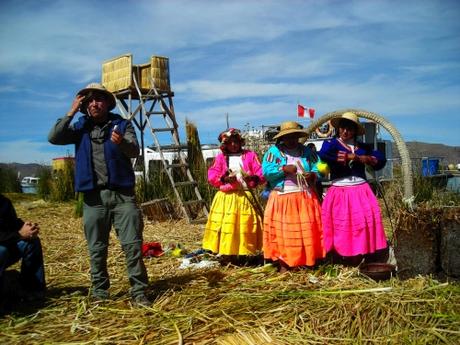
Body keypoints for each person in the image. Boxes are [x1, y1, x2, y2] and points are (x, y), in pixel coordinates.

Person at [48, 83, 149, 306]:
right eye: (89, 101)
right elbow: (54, 138)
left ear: (107, 103)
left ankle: (139, 292)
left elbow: (135, 150)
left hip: (123, 196)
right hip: (93, 200)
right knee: (96, 248)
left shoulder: (122, 124)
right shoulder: (79, 128)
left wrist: (121, 142)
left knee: (132, 245)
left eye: (99, 99)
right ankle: (100, 293)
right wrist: (72, 110)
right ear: (85, 106)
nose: (94, 103)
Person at [318, 112, 388, 265]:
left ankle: (359, 255)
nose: (345, 131)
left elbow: (381, 160)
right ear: (338, 129)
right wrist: (349, 156)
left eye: (349, 128)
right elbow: (324, 154)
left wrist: (366, 159)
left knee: (360, 224)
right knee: (341, 225)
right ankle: (340, 256)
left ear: (355, 131)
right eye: (343, 128)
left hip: (360, 190)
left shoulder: (363, 147)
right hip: (340, 190)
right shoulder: (331, 144)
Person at [262, 121, 325, 272]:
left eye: (294, 136)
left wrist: (314, 174)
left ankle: (308, 260)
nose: (291, 140)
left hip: (305, 197)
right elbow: (266, 171)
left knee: (307, 230)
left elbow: (322, 167)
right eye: (288, 137)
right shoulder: (274, 152)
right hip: (283, 199)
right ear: (282, 138)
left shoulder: (307, 152)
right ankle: (285, 263)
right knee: (284, 232)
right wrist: (283, 169)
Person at [202, 128, 265, 262]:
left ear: (240, 142)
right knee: (227, 226)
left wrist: (252, 178)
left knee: (244, 225)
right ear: (225, 144)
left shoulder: (250, 155)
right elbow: (212, 175)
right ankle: (227, 254)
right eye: (230, 143)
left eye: (236, 142)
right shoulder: (220, 158)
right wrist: (224, 178)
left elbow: (261, 173)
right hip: (226, 197)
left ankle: (243, 253)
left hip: (245, 196)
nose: (233, 145)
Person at [0, 194, 46, 307]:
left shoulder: (3, 202)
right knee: (2, 251)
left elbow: (12, 223)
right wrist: (19, 234)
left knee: (31, 243)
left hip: (5, 246)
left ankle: (33, 291)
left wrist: (27, 228)